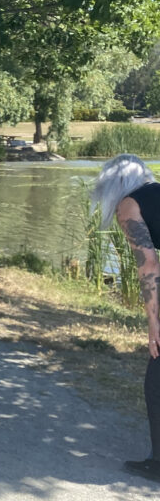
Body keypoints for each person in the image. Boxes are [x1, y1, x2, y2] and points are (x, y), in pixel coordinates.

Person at [92, 153, 160, 482]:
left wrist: (154, 324)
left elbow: (148, 264)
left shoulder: (129, 205)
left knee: (157, 381)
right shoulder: (157, 192)